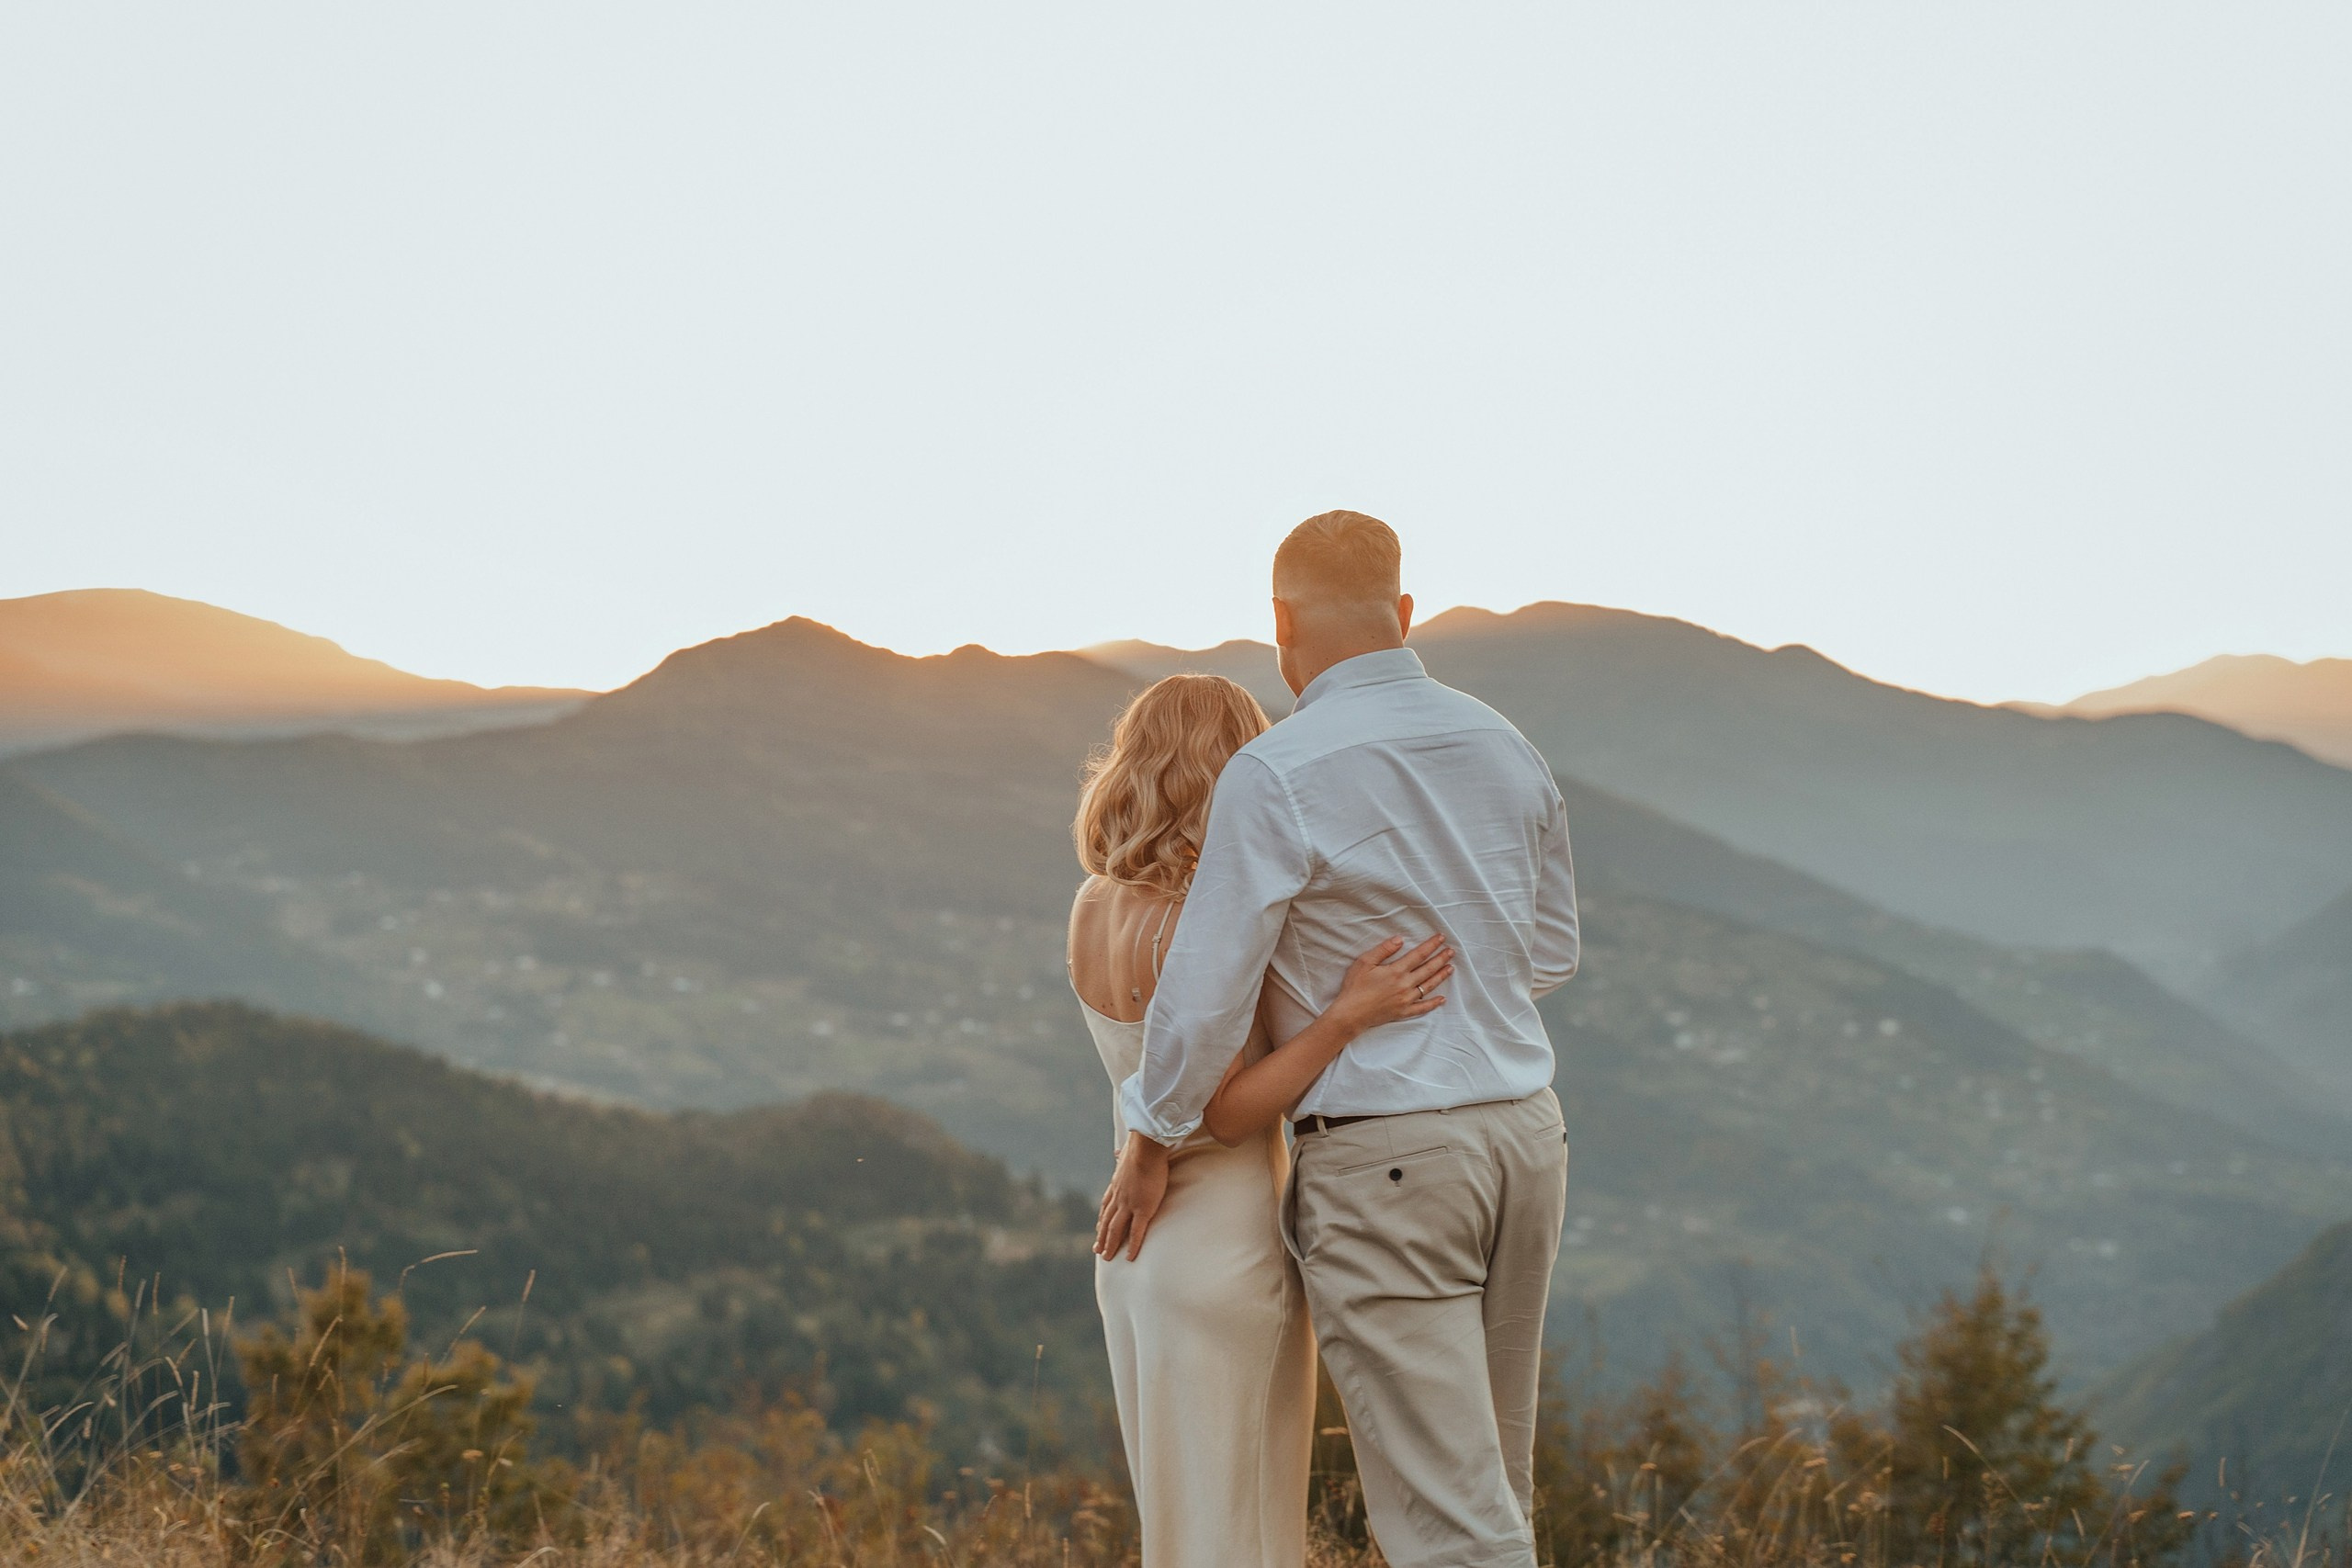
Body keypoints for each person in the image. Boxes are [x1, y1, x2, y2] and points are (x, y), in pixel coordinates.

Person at [1099, 511, 1580, 1568]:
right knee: (1496, 1486)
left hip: (1391, 1161)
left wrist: (1149, 1138)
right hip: (1525, 1141)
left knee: (1451, 1522)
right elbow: (1550, 952)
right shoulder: (1504, 742)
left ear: (1278, 619)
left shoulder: (1276, 773)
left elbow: (1203, 996)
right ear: (1404, 612)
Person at [1070, 671, 1456, 1568]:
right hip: (1223, 1251)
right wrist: (1346, 1018)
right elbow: (1227, 1113)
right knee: (1242, 1533)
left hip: (1132, 1258)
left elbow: (1147, 1078)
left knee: (1180, 1533)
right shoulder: (1204, 925)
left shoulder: (1090, 905)